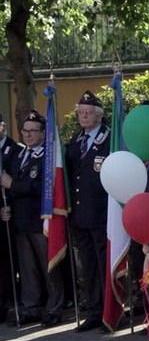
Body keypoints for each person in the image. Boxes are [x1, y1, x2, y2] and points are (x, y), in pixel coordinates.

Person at [0, 110, 64, 326]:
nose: (28, 135)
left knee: (49, 267)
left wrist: (13, 185)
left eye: (33, 131)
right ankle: (31, 307)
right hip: (20, 220)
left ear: (43, 133)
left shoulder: (48, 156)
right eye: (25, 131)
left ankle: (54, 308)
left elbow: (42, 187)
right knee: (28, 269)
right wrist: (6, 206)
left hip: (41, 220)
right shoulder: (20, 154)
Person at [65, 90, 111, 332]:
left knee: (105, 265)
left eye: (88, 113)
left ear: (99, 116)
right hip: (81, 215)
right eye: (80, 113)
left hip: (102, 214)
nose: (83, 116)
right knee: (88, 266)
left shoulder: (108, 140)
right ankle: (93, 310)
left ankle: (108, 311)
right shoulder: (75, 141)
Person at [0, 113, 23, 325]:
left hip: (12, 216)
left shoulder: (16, 150)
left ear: (3, 127)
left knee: (9, 264)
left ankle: (9, 304)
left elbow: (18, 184)